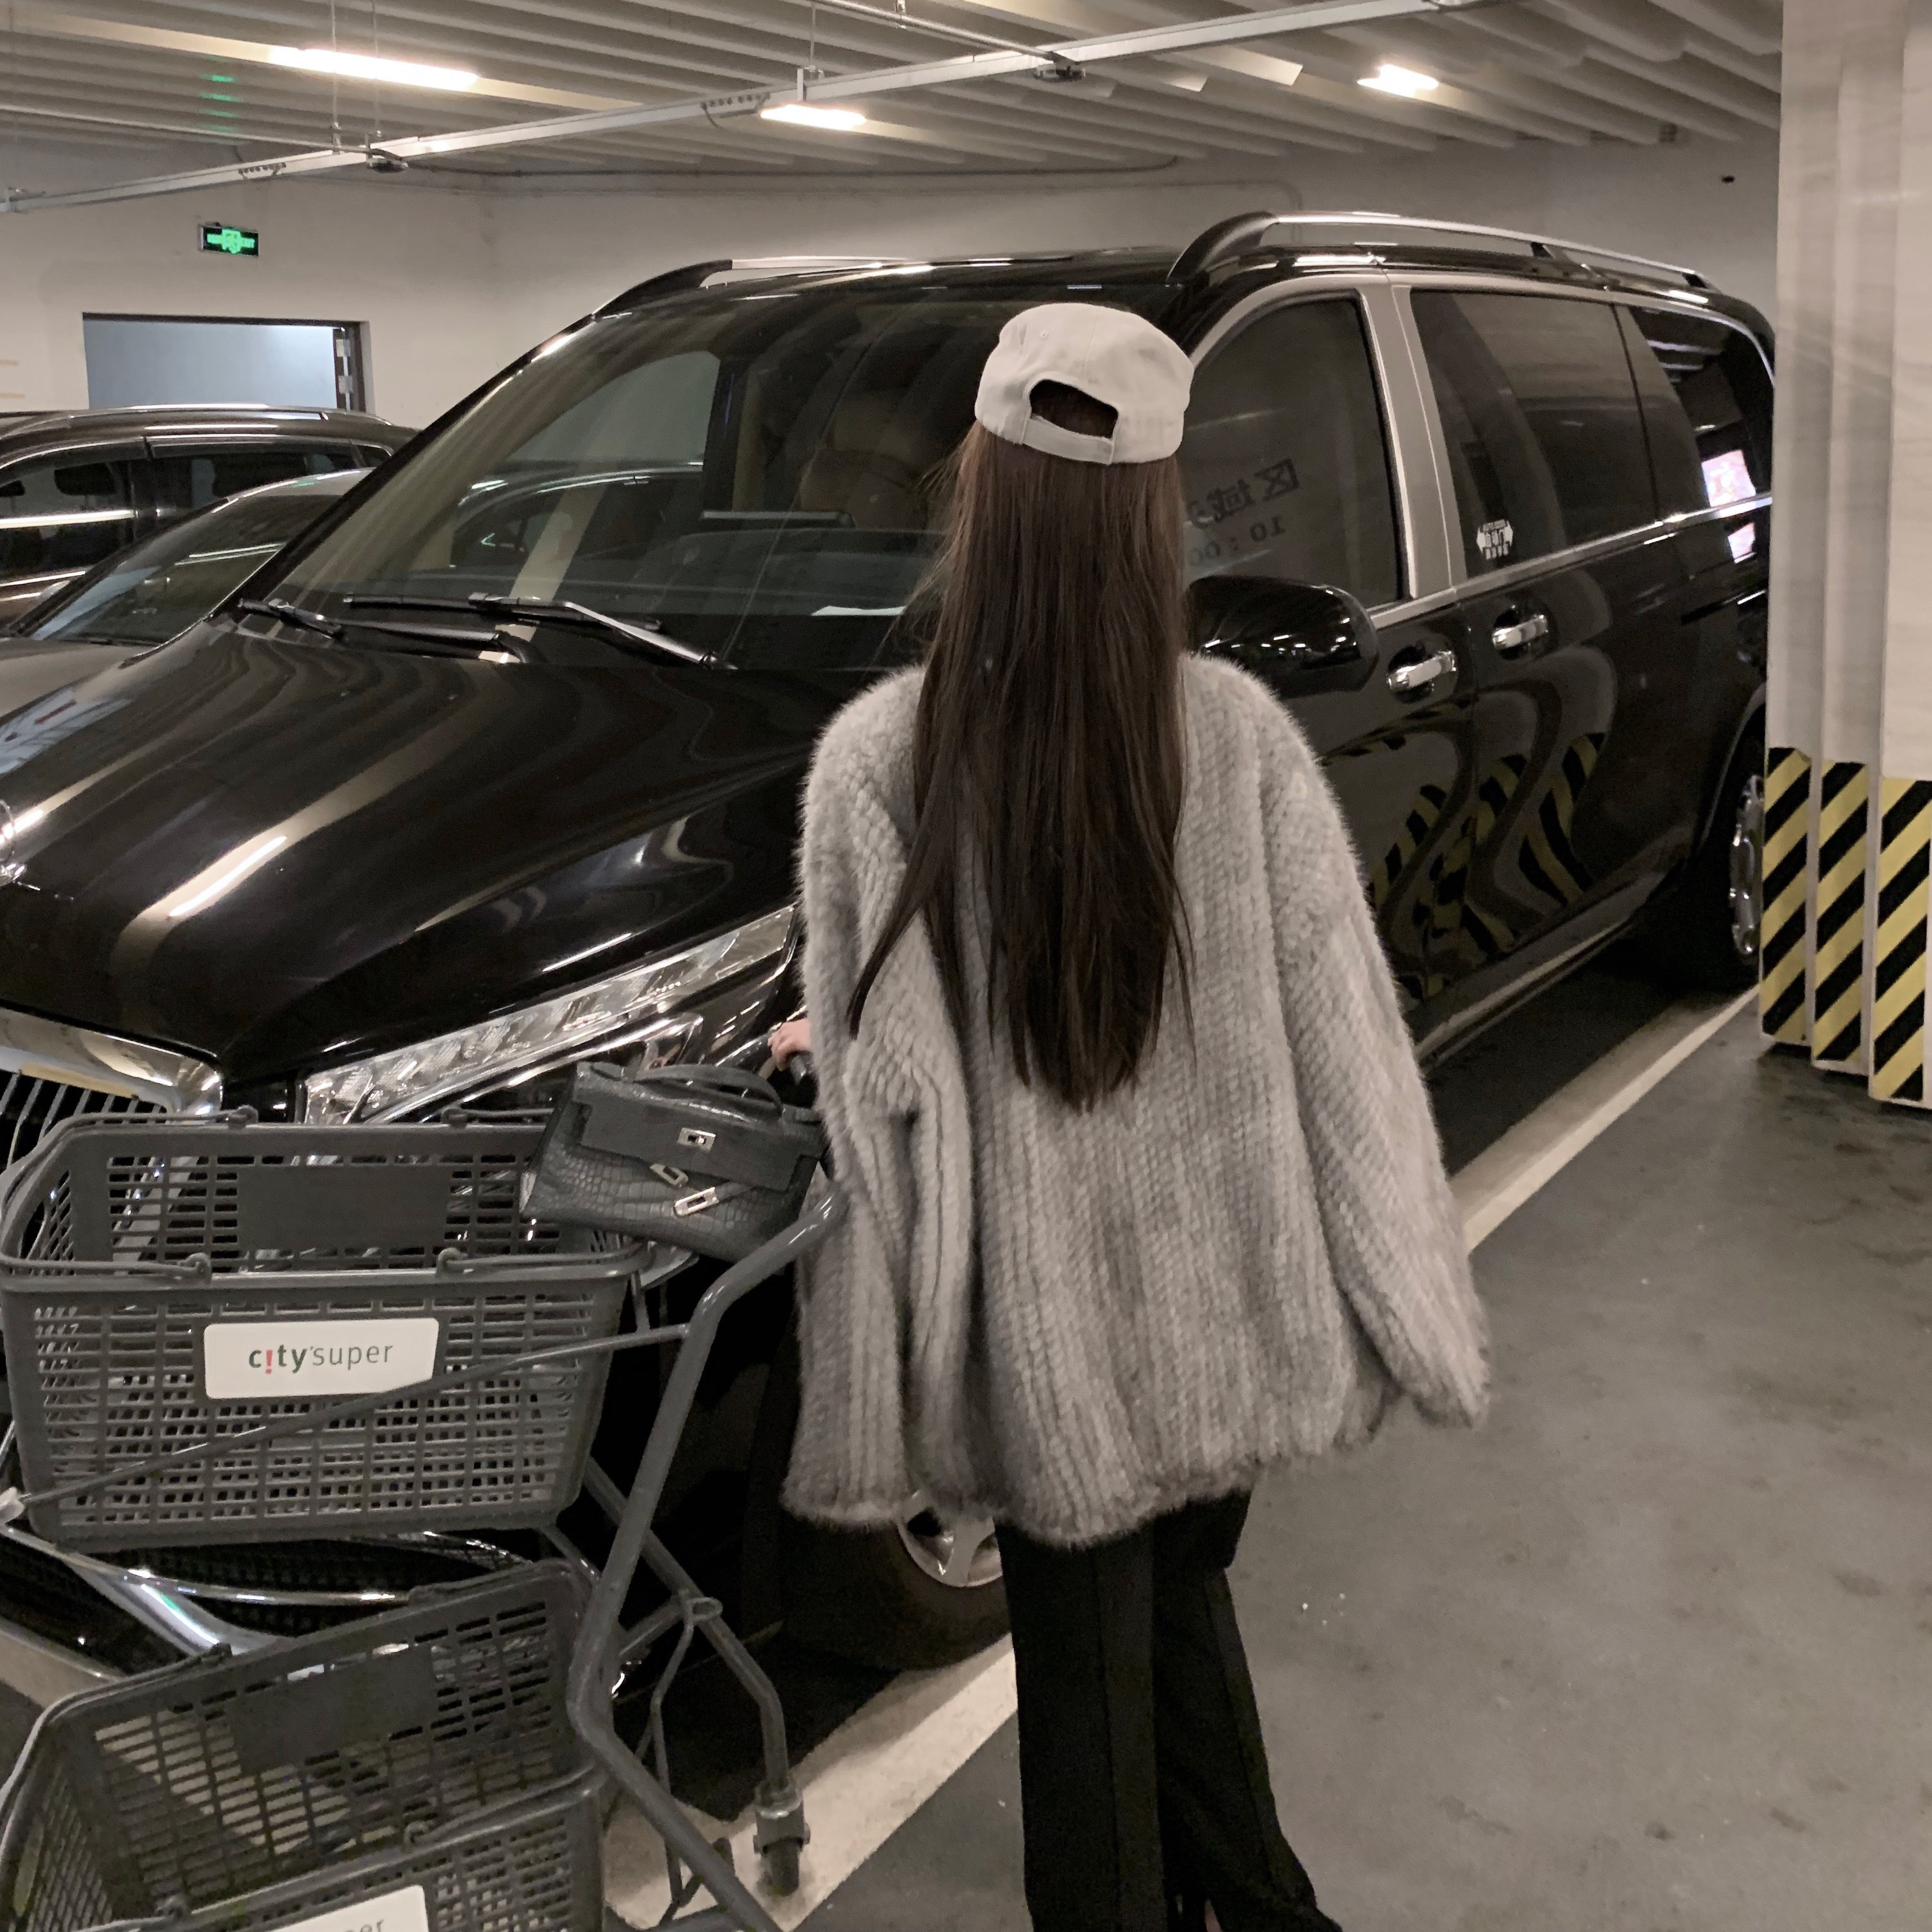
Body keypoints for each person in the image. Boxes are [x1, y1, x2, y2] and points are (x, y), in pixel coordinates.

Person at [772, 304, 1489, 1932]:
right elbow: (1352, 1054)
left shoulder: (885, 760)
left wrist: (894, 1393)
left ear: (980, 484)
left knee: (1092, 1710)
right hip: (1229, 1321)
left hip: (1049, 1354)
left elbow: (891, 1113)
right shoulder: (1239, 742)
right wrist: (1404, 1308)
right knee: (1176, 1616)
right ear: (1160, 512)